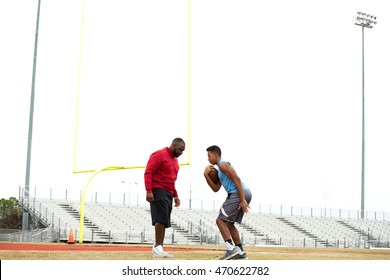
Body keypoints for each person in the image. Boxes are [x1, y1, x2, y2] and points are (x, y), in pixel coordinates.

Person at [204, 145, 252, 260]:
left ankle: (230, 249)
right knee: (229, 223)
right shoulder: (220, 170)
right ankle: (240, 252)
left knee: (220, 220)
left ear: (216, 155)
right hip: (243, 193)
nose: (208, 158)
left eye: (209, 156)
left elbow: (237, 179)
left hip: (238, 193)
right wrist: (206, 175)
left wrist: (242, 200)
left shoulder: (223, 165)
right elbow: (215, 188)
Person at [144, 137, 186, 258]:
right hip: (158, 189)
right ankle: (157, 246)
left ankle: (159, 247)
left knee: (165, 220)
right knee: (160, 218)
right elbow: (148, 172)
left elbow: (171, 180)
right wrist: (149, 191)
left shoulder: (175, 161)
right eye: (181, 150)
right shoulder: (159, 155)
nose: (182, 153)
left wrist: (175, 195)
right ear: (174, 146)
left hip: (168, 192)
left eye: (183, 151)